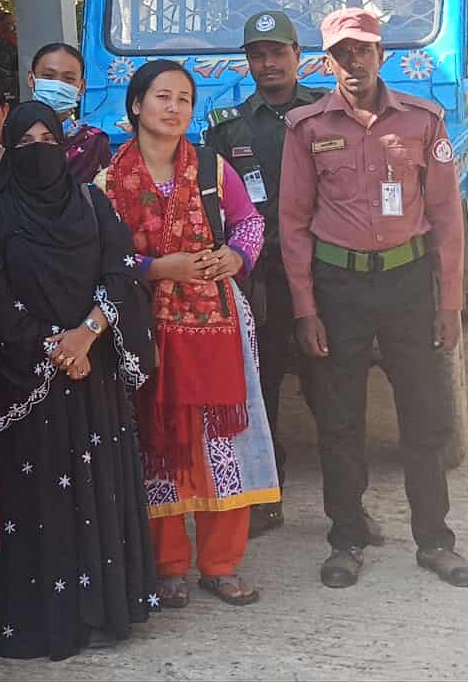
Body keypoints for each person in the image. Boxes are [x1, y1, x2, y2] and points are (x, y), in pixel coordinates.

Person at [280, 8, 468, 589]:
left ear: (381, 54)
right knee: (339, 419)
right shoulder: (307, 128)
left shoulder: (422, 120)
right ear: (327, 62)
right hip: (338, 287)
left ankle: (435, 540)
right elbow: (293, 223)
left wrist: (450, 302)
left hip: (407, 284)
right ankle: (346, 538)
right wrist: (305, 308)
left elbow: (447, 216)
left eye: (363, 50)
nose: (354, 62)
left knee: (424, 415)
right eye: (341, 53)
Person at [0, 100, 159, 658]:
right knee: (40, 500)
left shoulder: (91, 203)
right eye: (25, 144)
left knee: (99, 489)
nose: (39, 152)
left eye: (48, 141)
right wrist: (56, 345)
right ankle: (47, 620)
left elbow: (121, 273)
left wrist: (87, 335)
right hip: (34, 383)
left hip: (94, 374)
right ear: (8, 150)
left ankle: (104, 608)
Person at [103, 60, 279, 608]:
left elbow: (250, 222)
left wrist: (235, 256)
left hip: (217, 326)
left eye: (184, 98)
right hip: (144, 327)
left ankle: (221, 564)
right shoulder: (108, 180)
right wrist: (158, 269)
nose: (174, 107)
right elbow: (101, 256)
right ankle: (168, 566)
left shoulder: (211, 167)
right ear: (137, 105)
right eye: (162, 96)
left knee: (222, 441)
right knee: (160, 442)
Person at [201, 10, 325, 539]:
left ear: (298, 55)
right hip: (261, 278)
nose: (268, 63)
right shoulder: (228, 128)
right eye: (257, 55)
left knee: (330, 388)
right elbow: (217, 207)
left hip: (321, 274)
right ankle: (267, 499)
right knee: (262, 386)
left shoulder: (326, 113)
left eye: (277, 52)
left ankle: (347, 509)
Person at [27, 44, 112, 184]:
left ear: (81, 87)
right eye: (48, 76)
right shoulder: (14, 136)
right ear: (31, 79)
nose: (57, 86)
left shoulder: (94, 143)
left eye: (68, 79)